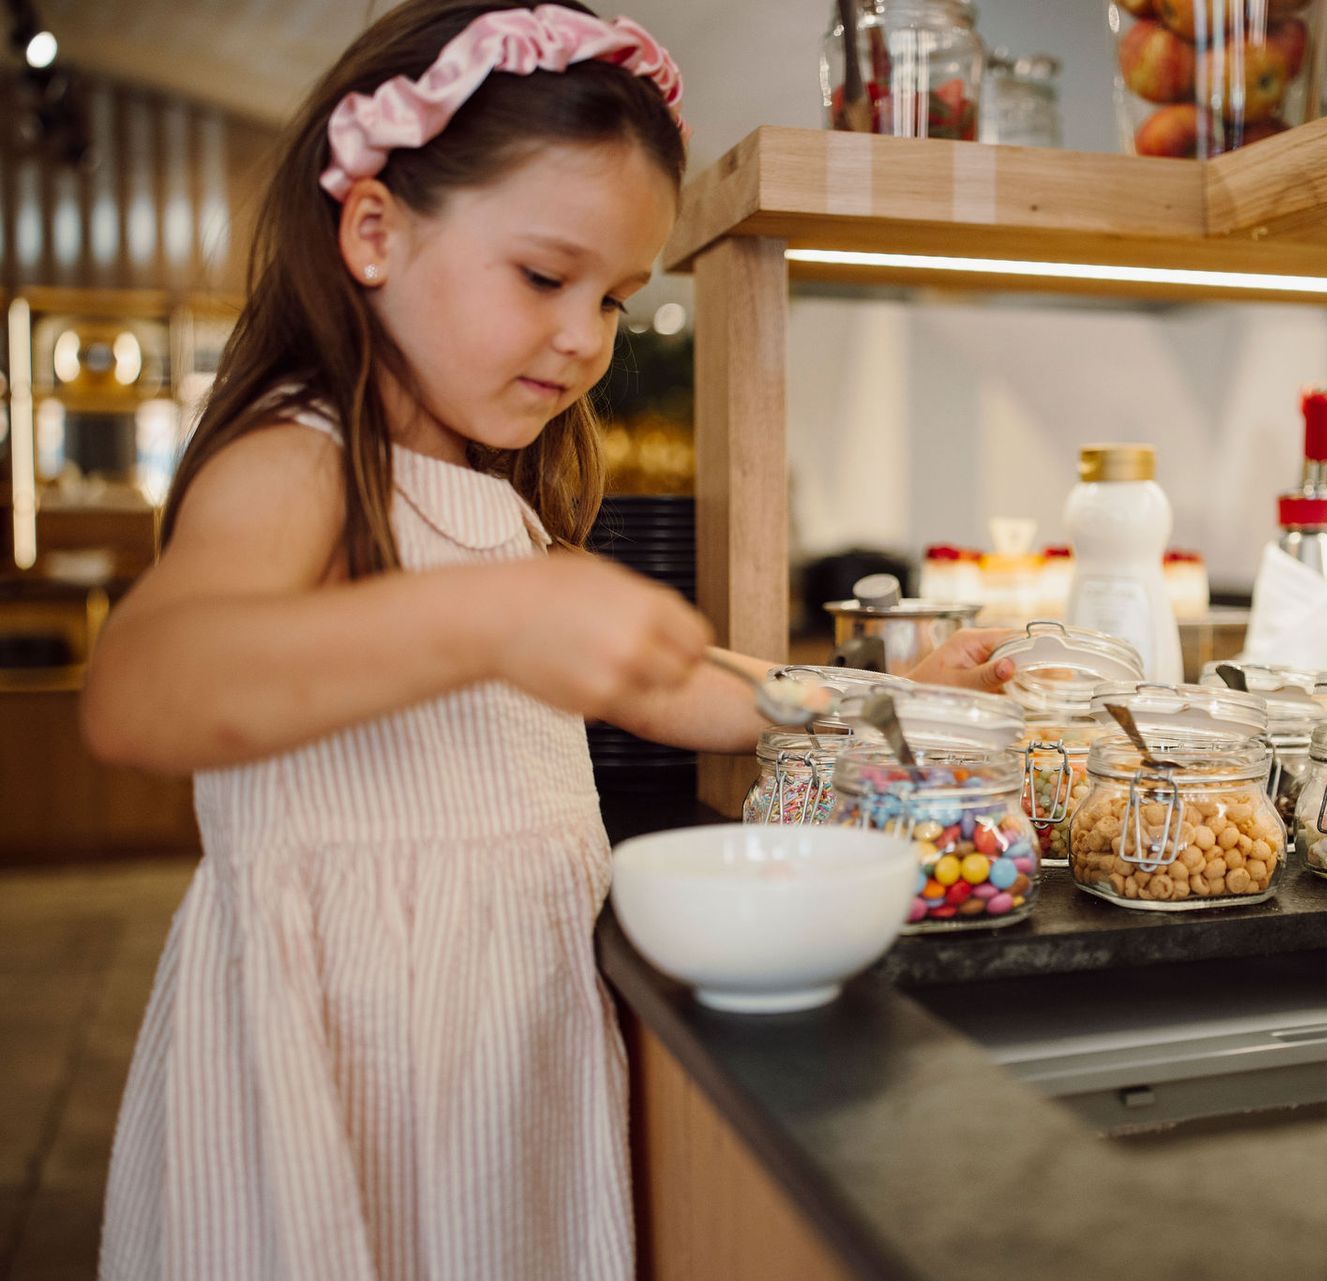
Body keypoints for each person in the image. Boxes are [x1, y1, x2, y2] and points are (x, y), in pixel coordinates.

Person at [80, 5, 1011, 1276]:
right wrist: (490, 619)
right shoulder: (296, 463)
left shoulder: (488, 501)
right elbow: (141, 692)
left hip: (505, 1047)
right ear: (372, 231)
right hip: (353, 1047)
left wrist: (870, 698)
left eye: (616, 298)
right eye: (542, 277)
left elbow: (678, 684)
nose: (585, 339)